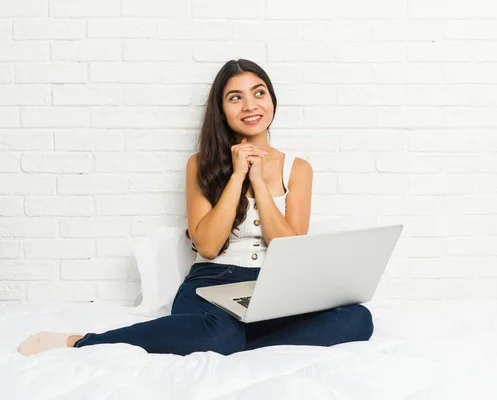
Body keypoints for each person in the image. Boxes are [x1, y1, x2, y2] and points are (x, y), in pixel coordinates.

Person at [17, 59, 374, 357]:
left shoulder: (297, 168)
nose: (250, 106)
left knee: (358, 319)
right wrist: (237, 177)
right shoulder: (200, 164)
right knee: (219, 333)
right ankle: (82, 342)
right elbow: (206, 245)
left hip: (274, 288)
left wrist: (261, 184)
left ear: (272, 100)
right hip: (211, 285)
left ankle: (234, 344)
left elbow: (289, 247)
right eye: (236, 97)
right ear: (221, 109)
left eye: (259, 93)